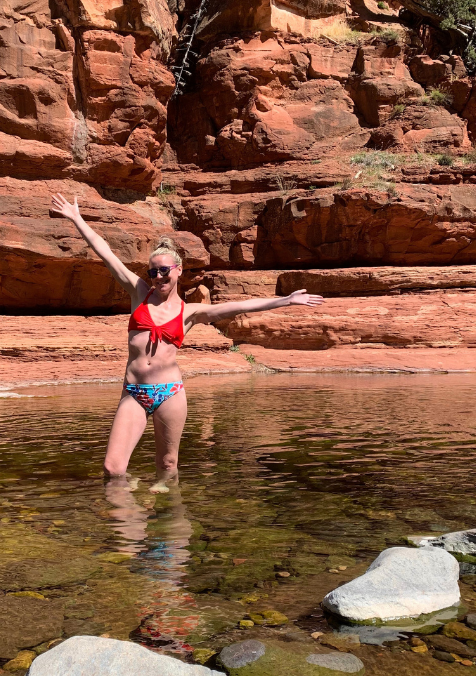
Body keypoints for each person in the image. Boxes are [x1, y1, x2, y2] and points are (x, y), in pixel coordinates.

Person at [52, 193, 324, 480]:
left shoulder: (189, 312)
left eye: (164, 270)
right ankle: (128, 514)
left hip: (169, 393)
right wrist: (77, 218)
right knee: (113, 467)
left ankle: (168, 517)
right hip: (134, 393)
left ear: (178, 271)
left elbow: (238, 306)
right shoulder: (138, 293)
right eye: (153, 271)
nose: (158, 276)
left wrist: (285, 301)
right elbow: (107, 254)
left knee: (168, 465)